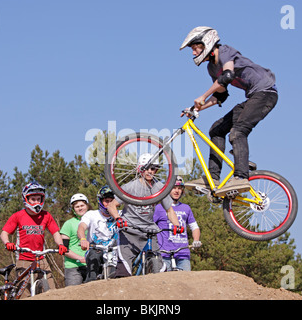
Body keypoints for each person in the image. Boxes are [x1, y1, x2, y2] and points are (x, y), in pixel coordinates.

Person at [180, 26, 278, 197]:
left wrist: (203, 95)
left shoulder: (225, 52)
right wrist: (196, 108)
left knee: (238, 131)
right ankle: (212, 177)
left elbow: (227, 76)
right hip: (253, 97)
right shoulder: (211, 68)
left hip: (266, 93)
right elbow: (221, 96)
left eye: (195, 48)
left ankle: (241, 176)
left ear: (207, 43)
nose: (194, 53)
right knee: (216, 130)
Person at [107, 153, 183, 277]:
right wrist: (118, 218)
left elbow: (169, 210)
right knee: (124, 272)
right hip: (129, 231)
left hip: (148, 232)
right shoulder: (131, 187)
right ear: (140, 169)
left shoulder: (159, 187)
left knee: (161, 271)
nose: (150, 171)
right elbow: (111, 205)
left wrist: (177, 225)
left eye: (153, 168)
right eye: (146, 168)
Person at [0, 181, 67, 296]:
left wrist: (61, 245)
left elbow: (55, 232)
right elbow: (4, 233)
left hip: (41, 258)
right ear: (26, 199)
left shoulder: (46, 215)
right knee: (24, 293)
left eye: (38, 199)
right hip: (24, 259)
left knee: (52, 290)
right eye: (33, 199)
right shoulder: (18, 216)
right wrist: (7, 243)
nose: (36, 202)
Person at [154, 176, 201, 271]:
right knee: (164, 282)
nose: (177, 191)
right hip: (164, 253)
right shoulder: (159, 208)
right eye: (174, 188)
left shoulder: (186, 208)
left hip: (183, 253)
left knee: (186, 282)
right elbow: (150, 226)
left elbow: (194, 226)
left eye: (179, 188)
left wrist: (196, 240)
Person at [77, 186, 120, 282]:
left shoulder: (119, 215)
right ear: (100, 201)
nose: (109, 204)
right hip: (95, 248)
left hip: (114, 250)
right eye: (106, 201)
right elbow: (81, 227)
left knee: (118, 276)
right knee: (93, 268)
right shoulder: (91, 214)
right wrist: (83, 239)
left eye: (111, 201)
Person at [60, 193, 91, 286]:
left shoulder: (94, 221)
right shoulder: (68, 224)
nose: (80, 208)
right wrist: (80, 258)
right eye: (77, 206)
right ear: (73, 209)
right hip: (73, 267)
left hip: (92, 266)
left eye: (82, 205)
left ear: (87, 206)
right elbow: (64, 249)